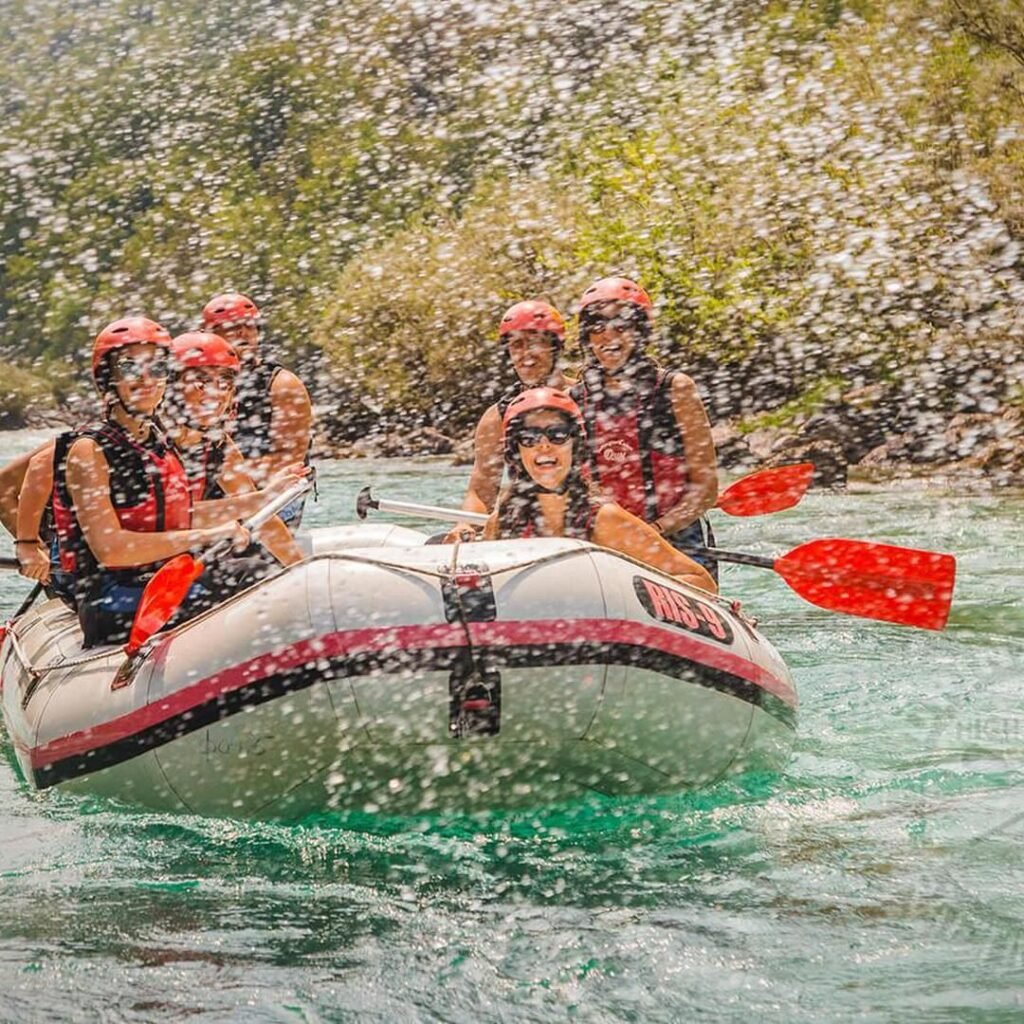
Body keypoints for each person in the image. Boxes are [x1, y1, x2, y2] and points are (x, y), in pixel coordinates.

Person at [52, 317, 295, 648]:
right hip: (112, 600)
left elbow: (180, 517)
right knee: (236, 598)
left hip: (160, 582)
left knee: (261, 571)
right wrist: (211, 535)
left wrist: (259, 502)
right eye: (130, 368)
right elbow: (111, 550)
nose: (147, 379)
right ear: (108, 380)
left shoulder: (158, 443)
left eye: (158, 367)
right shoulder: (88, 449)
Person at [482, 388, 716, 593]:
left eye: (558, 434)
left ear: (576, 445)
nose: (544, 445)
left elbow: (701, 582)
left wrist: (621, 593)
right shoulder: (502, 522)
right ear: (516, 451)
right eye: (529, 437)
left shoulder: (605, 519)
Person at [570, 277, 720, 579]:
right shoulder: (576, 398)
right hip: (608, 542)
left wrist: (656, 530)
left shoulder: (675, 389)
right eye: (597, 327)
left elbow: (706, 488)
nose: (608, 336)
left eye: (620, 326)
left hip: (674, 538)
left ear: (640, 332)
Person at [164, 332, 305, 568]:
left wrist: (301, 569)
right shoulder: (151, 443)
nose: (215, 392)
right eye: (201, 381)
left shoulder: (218, 443)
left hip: (184, 560)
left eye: (225, 382)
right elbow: (168, 518)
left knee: (261, 570)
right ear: (173, 387)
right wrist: (260, 498)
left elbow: (258, 514)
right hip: (138, 572)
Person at [447, 300, 575, 541]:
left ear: (556, 348)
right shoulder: (497, 417)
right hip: (529, 526)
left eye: (535, 343)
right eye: (516, 345)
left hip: (583, 521)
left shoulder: (585, 399)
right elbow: (481, 490)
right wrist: (465, 525)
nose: (525, 354)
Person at [200, 292, 313, 528]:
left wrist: (222, 479)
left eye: (250, 325)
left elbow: (287, 463)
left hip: (275, 495)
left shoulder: (282, 385)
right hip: (220, 494)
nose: (243, 333)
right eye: (231, 326)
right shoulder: (197, 386)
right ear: (208, 335)